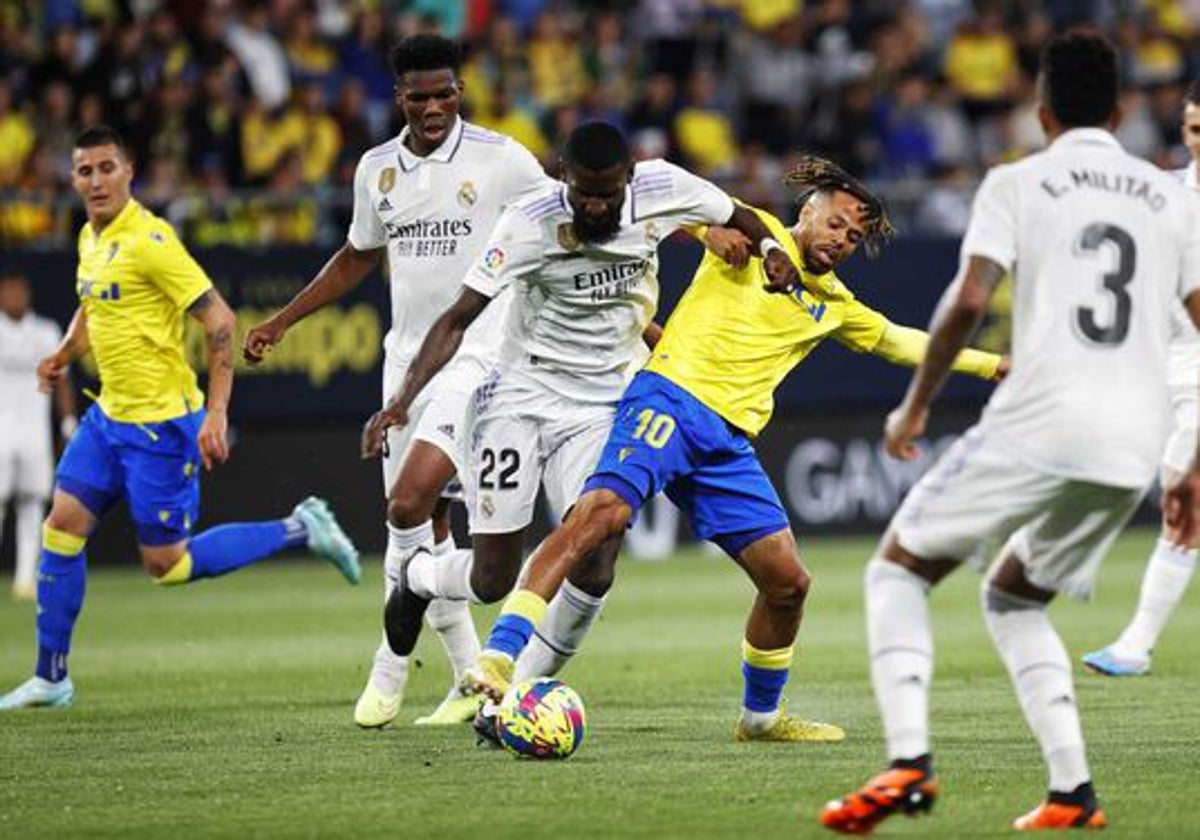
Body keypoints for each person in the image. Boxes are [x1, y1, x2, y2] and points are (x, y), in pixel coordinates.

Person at [456, 156, 1007, 745]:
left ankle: (761, 720)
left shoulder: (834, 304)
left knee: (788, 582)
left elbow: (902, 342)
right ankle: (499, 655)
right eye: (837, 222)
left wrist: (993, 363)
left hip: (725, 445)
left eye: (854, 235)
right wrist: (705, 230)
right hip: (668, 402)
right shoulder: (749, 236)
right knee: (600, 517)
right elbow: (662, 198)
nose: (843, 239)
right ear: (808, 210)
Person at [821, 31, 1200, 834]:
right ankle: (1073, 793)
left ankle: (909, 762)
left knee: (895, 571)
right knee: (1014, 597)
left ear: (1040, 109)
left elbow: (965, 301)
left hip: (1043, 418)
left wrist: (916, 406)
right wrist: (1192, 457)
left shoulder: (1018, 181)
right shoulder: (1171, 197)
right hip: (1134, 443)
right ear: (1124, 109)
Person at [360, 120, 804, 739]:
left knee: (596, 556)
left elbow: (743, 214)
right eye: (583, 193)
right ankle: (417, 579)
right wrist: (401, 401)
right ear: (564, 177)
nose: (596, 205)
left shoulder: (662, 187)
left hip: (605, 400)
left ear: (628, 179)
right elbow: (458, 318)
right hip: (519, 394)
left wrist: (770, 250)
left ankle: (507, 700)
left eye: (608, 194)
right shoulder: (526, 220)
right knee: (492, 579)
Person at [244, 34, 550, 728]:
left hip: (478, 356)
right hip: (404, 357)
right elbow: (356, 257)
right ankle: (469, 680)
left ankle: (387, 666)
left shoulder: (501, 160)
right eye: (421, 96)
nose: (435, 106)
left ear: (460, 90)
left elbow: (567, 217)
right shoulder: (376, 170)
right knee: (425, 524)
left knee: (409, 504)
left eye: (446, 93)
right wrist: (283, 321)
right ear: (400, 97)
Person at [0, 126, 360, 712]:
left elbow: (220, 321)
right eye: (84, 171)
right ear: (72, 178)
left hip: (162, 428)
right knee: (60, 529)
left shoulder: (151, 239)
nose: (95, 180)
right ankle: (51, 676)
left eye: (106, 168)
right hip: (108, 417)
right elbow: (94, 304)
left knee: (167, 565)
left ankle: (302, 527)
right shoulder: (92, 238)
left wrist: (215, 412)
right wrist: (64, 354)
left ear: (129, 171)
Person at [1081, 78, 1200, 677]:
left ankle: (1136, 644)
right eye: (1193, 130)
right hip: (1159, 368)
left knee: (1184, 501)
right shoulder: (1166, 197)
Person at [0, 272, 77, 601]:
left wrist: (68, 421)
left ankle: (24, 578)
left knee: (32, 502)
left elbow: (62, 380)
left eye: (20, 290)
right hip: (1, 429)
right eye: (9, 291)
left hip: (34, 430)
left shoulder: (46, 331)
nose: (15, 296)